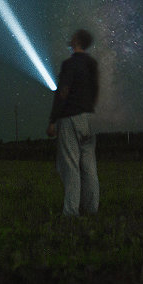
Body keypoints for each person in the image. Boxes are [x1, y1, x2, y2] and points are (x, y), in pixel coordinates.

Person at [46, 29, 99, 216]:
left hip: (70, 118)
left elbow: (63, 92)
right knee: (89, 167)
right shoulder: (91, 63)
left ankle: (70, 213)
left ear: (76, 41)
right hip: (88, 119)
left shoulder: (70, 64)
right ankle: (92, 209)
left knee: (71, 167)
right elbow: (95, 91)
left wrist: (53, 120)